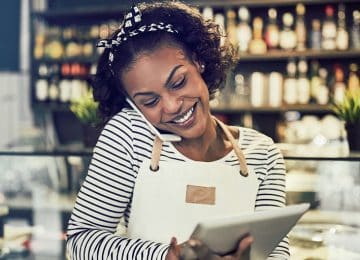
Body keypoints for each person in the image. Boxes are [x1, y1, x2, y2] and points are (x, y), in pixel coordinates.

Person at [66, 2, 289, 259]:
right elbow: (81, 241)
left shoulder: (263, 154)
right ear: (133, 105)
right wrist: (168, 256)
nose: (171, 106)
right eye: (150, 102)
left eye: (178, 82)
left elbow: (275, 253)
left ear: (199, 62)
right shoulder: (128, 136)